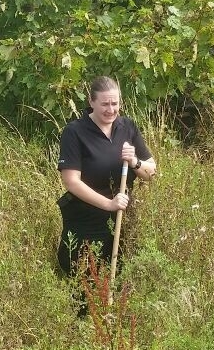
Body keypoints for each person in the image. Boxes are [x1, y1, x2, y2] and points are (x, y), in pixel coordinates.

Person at [56, 77, 157, 300]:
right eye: (105, 104)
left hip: (121, 220)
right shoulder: (74, 132)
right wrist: (108, 204)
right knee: (84, 286)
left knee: (117, 280)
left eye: (115, 104)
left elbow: (151, 172)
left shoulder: (127, 127)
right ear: (91, 102)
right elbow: (71, 181)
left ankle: (109, 327)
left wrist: (134, 163)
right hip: (85, 220)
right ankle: (84, 329)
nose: (111, 110)